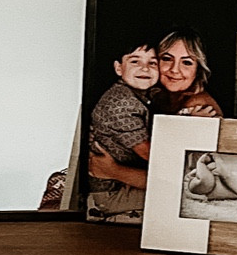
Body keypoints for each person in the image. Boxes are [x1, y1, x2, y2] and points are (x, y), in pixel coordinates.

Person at [85, 39, 157, 222]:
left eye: (152, 63)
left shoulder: (134, 94)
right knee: (182, 193)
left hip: (124, 181)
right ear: (119, 68)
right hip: (112, 193)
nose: (145, 68)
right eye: (135, 61)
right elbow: (150, 154)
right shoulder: (121, 104)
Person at [154, 29, 222, 119]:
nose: (174, 69)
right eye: (167, 59)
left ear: (198, 70)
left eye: (186, 63)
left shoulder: (199, 105)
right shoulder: (158, 97)